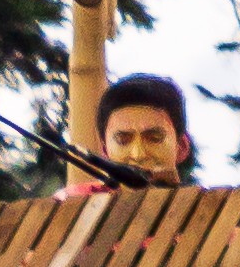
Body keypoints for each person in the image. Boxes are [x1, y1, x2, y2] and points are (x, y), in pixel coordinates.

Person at [63, 72, 195, 193]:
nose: (138, 154)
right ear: (105, 150)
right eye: (122, 141)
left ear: (182, 147)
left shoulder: (207, 206)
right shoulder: (72, 201)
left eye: (154, 138)